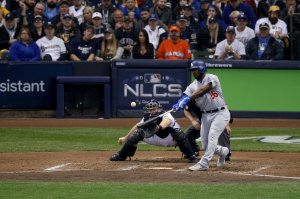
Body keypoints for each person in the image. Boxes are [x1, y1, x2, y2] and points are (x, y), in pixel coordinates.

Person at [172, 60, 230, 171]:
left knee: (213, 135)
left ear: (202, 68)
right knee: (205, 145)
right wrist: (180, 102)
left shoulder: (212, 77)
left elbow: (203, 89)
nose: (194, 72)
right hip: (205, 115)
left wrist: (188, 98)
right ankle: (224, 151)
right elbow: (185, 95)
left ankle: (204, 163)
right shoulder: (192, 86)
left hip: (221, 113)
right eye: (192, 70)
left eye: (196, 69)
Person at [110, 99, 198, 162]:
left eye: (153, 109)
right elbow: (138, 126)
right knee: (137, 134)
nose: (151, 111)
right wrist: (126, 138)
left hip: (169, 139)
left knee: (178, 133)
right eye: (150, 109)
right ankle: (121, 155)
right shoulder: (147, 117)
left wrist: (159, 127)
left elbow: (167, 122)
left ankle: (191, 156)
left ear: (159, 109)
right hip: (153, 137)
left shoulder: (166, 114)